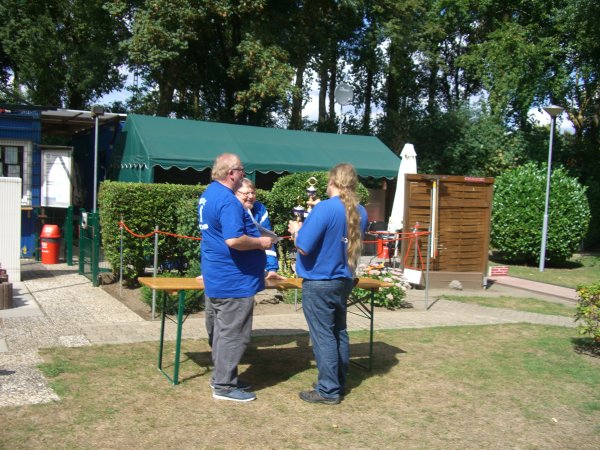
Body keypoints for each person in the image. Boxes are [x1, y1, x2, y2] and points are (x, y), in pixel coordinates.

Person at [287, 163, 368, 405]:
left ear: (332, 182)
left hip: (320, 281)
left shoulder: (324, 208)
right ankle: (337, 382)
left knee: (323, 336)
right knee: (338, 332)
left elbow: (304, 246)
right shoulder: (361, 211)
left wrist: (296, 230)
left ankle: (328, 389)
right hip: (343, 279)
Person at [198, 153, 275, 402]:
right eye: (242, 170)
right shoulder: (228, 200)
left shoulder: (209, 194)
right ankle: (224, 387)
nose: (245, 174)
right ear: (231, 173)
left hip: (218, 276)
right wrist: (262, 242)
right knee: (233, 334)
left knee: (222, 332)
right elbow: (234, 240)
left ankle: (222, 377)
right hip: (234, 279)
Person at [235, 178, 285, 281]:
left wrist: (272, 269)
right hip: (232, 267)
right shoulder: (228, 209)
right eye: (246, 193)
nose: (251, 196)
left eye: (253, 193)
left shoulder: (260, 208)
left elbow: (268, 239)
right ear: (236, 193)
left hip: (255, 266)